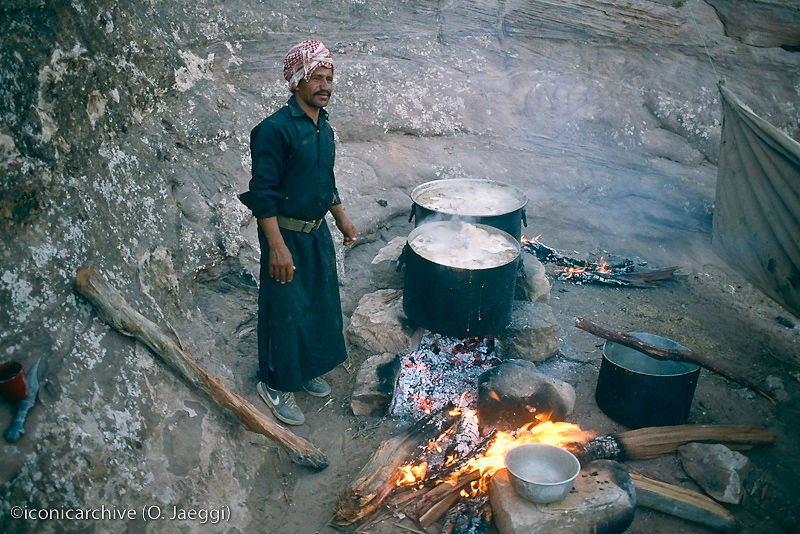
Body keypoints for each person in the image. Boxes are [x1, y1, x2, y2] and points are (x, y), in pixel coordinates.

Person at [239, 39, 357, 426]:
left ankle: (306, 369)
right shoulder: (273, 130)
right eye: (316, 78)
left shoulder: (324, 127)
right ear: (296, 82)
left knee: (318, 303)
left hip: (316, 231)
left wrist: (340, 219)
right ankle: (275, 384)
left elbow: (326, 179)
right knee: (285, 309)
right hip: (284, 235)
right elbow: (263, 194)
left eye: (329, 78)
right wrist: (276, 247)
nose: (325, 85)